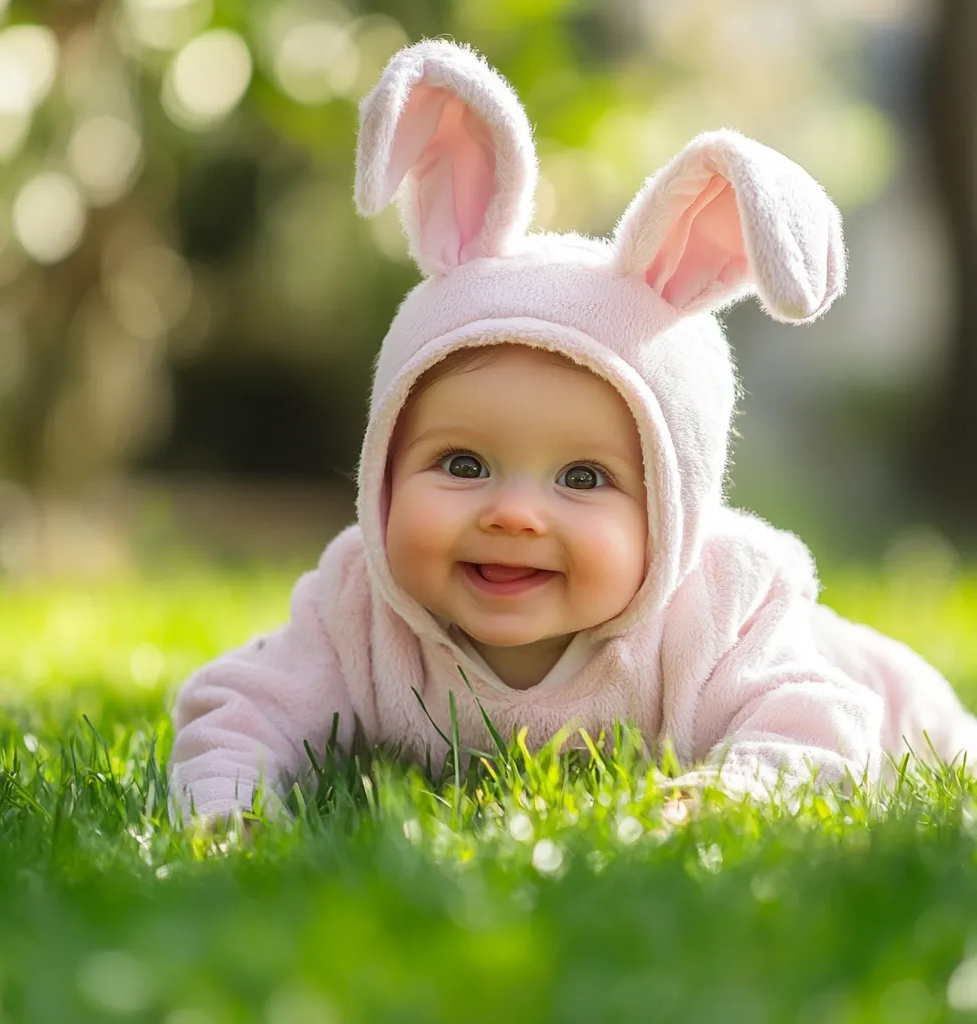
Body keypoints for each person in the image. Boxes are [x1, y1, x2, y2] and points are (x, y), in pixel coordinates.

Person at [168, 39, 977, 825]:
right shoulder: (360, 612)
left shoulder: (725, 611)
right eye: (462, 463)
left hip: (906, 715)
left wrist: (733, 802)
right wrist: (228, 808)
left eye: (584, 478)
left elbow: (817, 723)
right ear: (382, 468)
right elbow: (243, 706)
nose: (513, 514)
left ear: (673, 510)